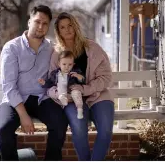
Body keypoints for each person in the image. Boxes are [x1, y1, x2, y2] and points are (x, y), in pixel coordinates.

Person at [0, 5, 68, 161]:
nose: (41, 27)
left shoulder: (51, 48)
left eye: (45, 24)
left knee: (60, 123)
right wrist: (23, 115)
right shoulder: (12, 48)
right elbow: (8, 85)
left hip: (41, 98)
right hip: (14, 100)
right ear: (29, 22)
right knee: (4, 129)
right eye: (37, 22)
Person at [48, 12, 115, 161]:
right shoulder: (57, 54)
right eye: (63, 27)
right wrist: (60, 94)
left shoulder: (93, 47)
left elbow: (106, 77)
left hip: (98, 95)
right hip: (72, 99)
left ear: (76, 26)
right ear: (58, 32)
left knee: (105, 131)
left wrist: (85, 89)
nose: (67, 29)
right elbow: (51, 83)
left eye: (70, 25)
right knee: (78, 128)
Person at [38, 50, 85, 119]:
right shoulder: (55, 73)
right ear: (59, 64)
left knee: (77, 92)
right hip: (60, 91)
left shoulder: (75, 72)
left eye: (70, 64)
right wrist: (44, 83)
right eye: (64, 64)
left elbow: (82, 81)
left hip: (70, 91)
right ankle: (62, 98)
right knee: (52, 90)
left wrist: (79, 77)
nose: (67, 67)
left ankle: (79, 109)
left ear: (73, 64)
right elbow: (51, 82)